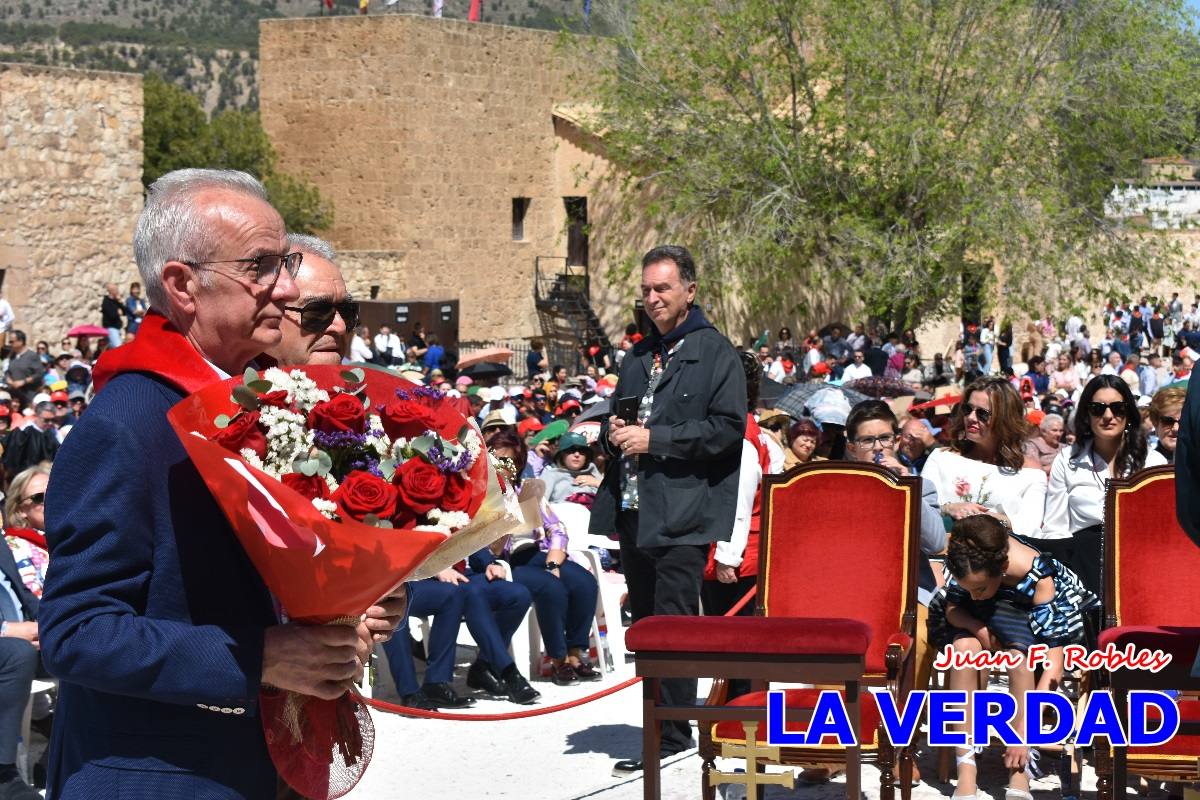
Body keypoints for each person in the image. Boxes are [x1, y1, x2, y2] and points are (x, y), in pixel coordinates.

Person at [37, 169, 405, 798]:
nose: (286, 287)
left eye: (285, 263)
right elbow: (76, 633)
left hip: (272, 761)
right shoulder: (129, 423)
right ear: (183, 285)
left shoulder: (264, 401)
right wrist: (264, 655)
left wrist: (358, 601)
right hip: (166, 776)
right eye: (261, 266)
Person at [591, 244, 745, 774]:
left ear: (690, 291)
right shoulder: (637, 357)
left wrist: (655, 439)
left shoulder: (715, 353)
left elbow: (726, 430)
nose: (653, 298)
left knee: (674, 624)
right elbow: (619, 422)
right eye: (646, 290)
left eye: (663, 288)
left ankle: (673, 732)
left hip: (683, 513)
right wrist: (613, 434)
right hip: (634, 510)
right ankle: (658, 724)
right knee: (648, 625)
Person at [930, 515, 1098, 800]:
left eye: (979, 589)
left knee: (1019, 658)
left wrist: (1026, 728)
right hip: (977, 618)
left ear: (1003, 568)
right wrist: (979, 629)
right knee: (964, 650)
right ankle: (966, 770)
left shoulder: (1038, 577)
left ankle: (1020, 772)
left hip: (1028, 614)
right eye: (970, 589)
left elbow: (1054, 665)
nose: (975, 596)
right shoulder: (970, 558)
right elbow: (954, 608)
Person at [489, 431, 600, 686]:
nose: (502, 466)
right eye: (497, 459)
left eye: (509, 461)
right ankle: (558, 660)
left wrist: (553, 562)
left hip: (540, 554)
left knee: (584, 582)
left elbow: (557, 528)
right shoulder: (484, 496)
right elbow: (489, 548)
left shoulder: (528, 491)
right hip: (509, 561)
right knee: (551, 588)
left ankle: (575, 654)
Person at [1040, 375, 1165, 598]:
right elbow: (1055, 528)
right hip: (1082, 562)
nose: (1108, 416)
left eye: (1118, 408)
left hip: (1140, 558)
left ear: (1129, 413)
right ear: (1086, 414)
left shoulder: (1153, 462)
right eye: (1098, 409)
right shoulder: (1067, 460)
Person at [921, 376, 1048, 539]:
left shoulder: (1031, 473)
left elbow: (1029, 528)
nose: (971, 418)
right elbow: (920, 510)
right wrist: (949, 508)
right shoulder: (941, 458)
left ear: (1005, 419)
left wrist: (991, 520)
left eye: (982, 413)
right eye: (968, 409)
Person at [264, 234, 358, 366]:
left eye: (347, 312)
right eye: (317, 312)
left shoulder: (371, 378)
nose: (340, 327)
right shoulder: (236, 378)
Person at [0, 534, 40, 800]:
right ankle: (4, 772)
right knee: (17, 654)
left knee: (84, 647)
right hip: (11, 644)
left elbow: (22, 592)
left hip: (28, 634)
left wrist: (53, 624)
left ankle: (56, 758)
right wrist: (5, 629)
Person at [540, 431, 603, 505]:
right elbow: (538, 506)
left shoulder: (595, 475)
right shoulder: (550, 475)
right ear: (562, 454)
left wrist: (599, 484)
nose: (577, 454)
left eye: (582, 451)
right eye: (571, 450)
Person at [1, 402, 58, 477]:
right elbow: (12, 459)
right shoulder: (22, 432)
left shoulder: (55, 433)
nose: (50, 423)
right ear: (36, 416)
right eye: (46, 420)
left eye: (53, 420)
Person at [4, 331, 44, 411]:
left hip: (28, 396)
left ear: (21, 341)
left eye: (12, 341)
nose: (10, 344)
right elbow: (8, 371)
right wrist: (8, 379)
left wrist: (23, 381)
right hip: (15, 397)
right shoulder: (12, 356)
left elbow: (39, 374)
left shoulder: (32, 356)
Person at [1148, 386, 1184, 464]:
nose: (1176, 428)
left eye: (1183, 422)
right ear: (1155, 423)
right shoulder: (1144, 464)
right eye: (1168, 421)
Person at [99, 283, 125, 350]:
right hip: (111, 328)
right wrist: (118, 312)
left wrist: (120, 302)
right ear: (111, 291)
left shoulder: (116, 301)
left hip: (117, 328)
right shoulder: (106, 301)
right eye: (116, 290)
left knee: (114, 349)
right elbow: (112, 315)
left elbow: (125, 312)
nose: (118, 291)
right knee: (118, 348)